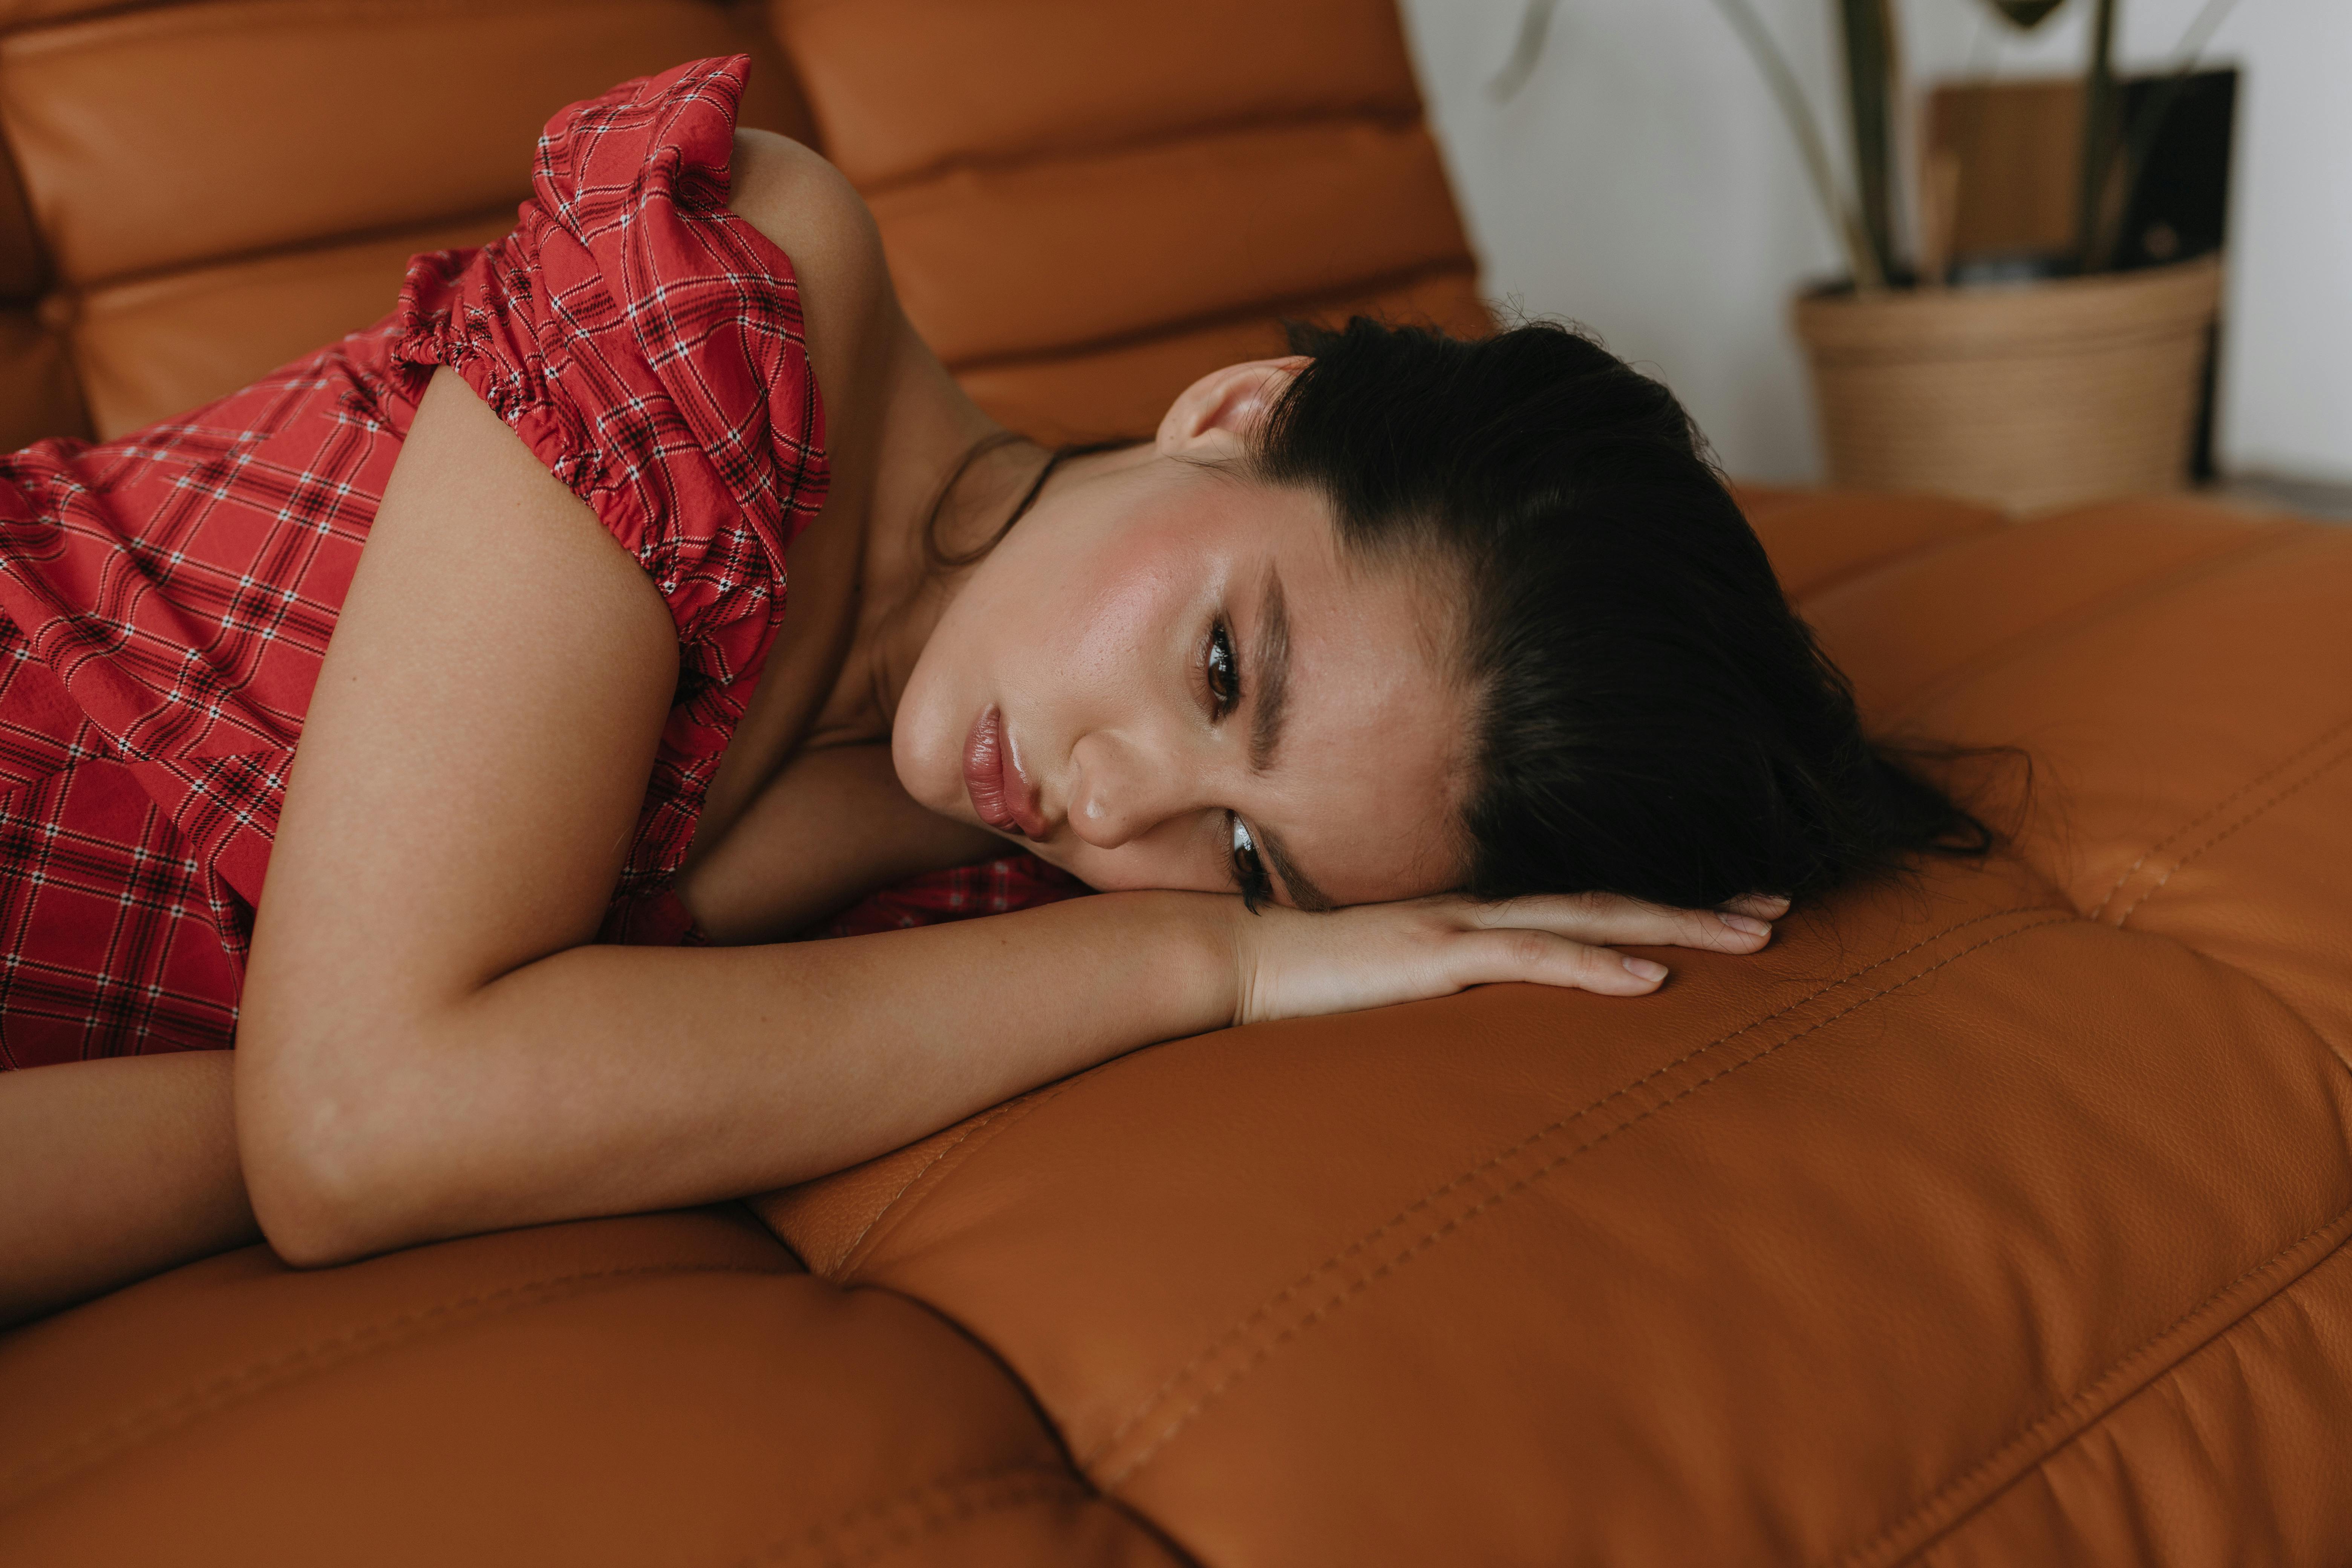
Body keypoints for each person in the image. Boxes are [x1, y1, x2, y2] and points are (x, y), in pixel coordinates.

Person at [0, 58, 1984, 1326]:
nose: (1114, 807)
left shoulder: (971, 914)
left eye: (1253, 866)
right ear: (1237, 418)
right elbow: (352, 1129)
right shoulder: (741, 293)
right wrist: (1203, 972)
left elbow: (317, 1132)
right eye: (1223, 669)